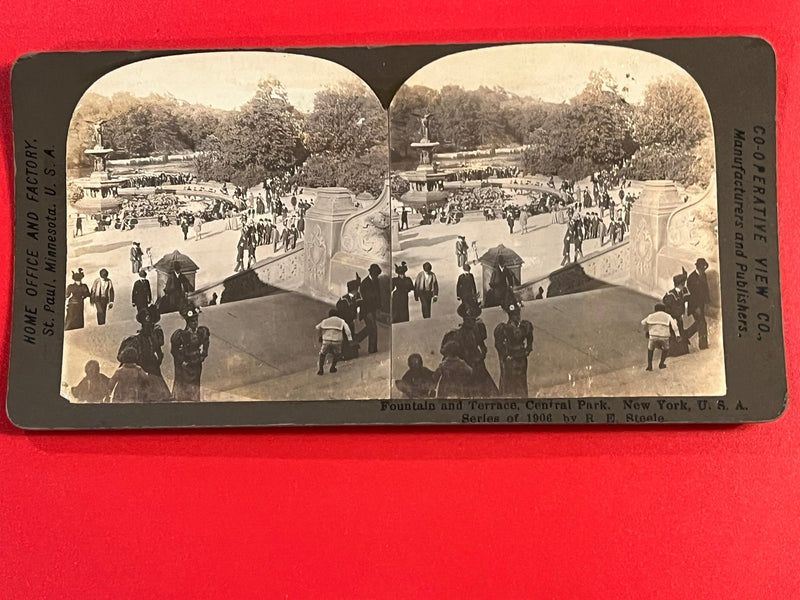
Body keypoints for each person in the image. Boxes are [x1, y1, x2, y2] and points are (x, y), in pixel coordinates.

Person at [440, 302, 498, 397]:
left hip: (478, 364)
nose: (472, 322)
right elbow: (445, 352)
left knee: (488, 392)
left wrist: (482, 354)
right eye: (469, 320)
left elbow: (482, 345)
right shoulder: (455, 334)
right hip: (465, 365)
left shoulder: (477, 329)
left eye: (473, 320)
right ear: (464, 320)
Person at [170, 305, 210, 402]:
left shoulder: (201, 332)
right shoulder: (181, 335)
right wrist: (182, 361)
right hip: (186, 366)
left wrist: (203, 355)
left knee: (195, 387)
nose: (195, 323)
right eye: (193, 321)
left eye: (196, 320)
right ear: (188, 322)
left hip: (196, 365)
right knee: (185, 388)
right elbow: (174, 350)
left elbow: (206, 342)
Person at [493, 301, 534, 398]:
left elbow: (530, 337)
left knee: (521, 380)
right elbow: (498, 344)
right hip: (511, 358)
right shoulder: (505, 328)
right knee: (510, 381)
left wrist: (528, 349)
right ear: (509, 315)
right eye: (514, 314)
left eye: (518, 313)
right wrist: (505, 354)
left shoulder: (525, 326)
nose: (517, 316)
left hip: (522, 358)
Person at [641, 303, 680, 371]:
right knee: (666, 349)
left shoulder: (651, 316)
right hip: (664, 336)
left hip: (653, 336)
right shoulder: (668, 316)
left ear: (655, 309)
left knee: (650, 349)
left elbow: (643, 322)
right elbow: (674, 326)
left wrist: (647, 330)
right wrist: (677, 335)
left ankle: (649, 366)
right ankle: (661, 364)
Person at [315, 308, 352, 375]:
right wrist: (350, 339)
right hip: (337, 340)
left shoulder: (325, 321)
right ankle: (332, 367)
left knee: (322, 354)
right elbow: (348, 330)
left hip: (326, 340)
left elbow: (317, 327)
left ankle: (321, 370)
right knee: (337, 354)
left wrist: (321, 336)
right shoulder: (341, 321)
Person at [686, 257, 710, 349]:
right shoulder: (691, 278)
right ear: (698, 267)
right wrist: (696, 308)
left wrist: (707, 302)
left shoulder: (703, 275)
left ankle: (685, 336)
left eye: (704, 268)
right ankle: (703, 345)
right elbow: (691, 295)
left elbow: (705, 289)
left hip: (701, 305)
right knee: (702, 323)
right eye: (702, 268)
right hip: (694, 305)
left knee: (699, 323)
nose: (703, 270)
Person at [358, 264, 382, 354]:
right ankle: (372, 350)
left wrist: (378, 308)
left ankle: (359, 339)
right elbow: (365, 300)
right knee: (373, 329)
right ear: (371, 273)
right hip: (366, 310)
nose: (376, 277)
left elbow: (378, 295)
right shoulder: (365, 283)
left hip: (373, 310)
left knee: (371, 328)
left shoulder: (376, 281)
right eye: (375, 275)